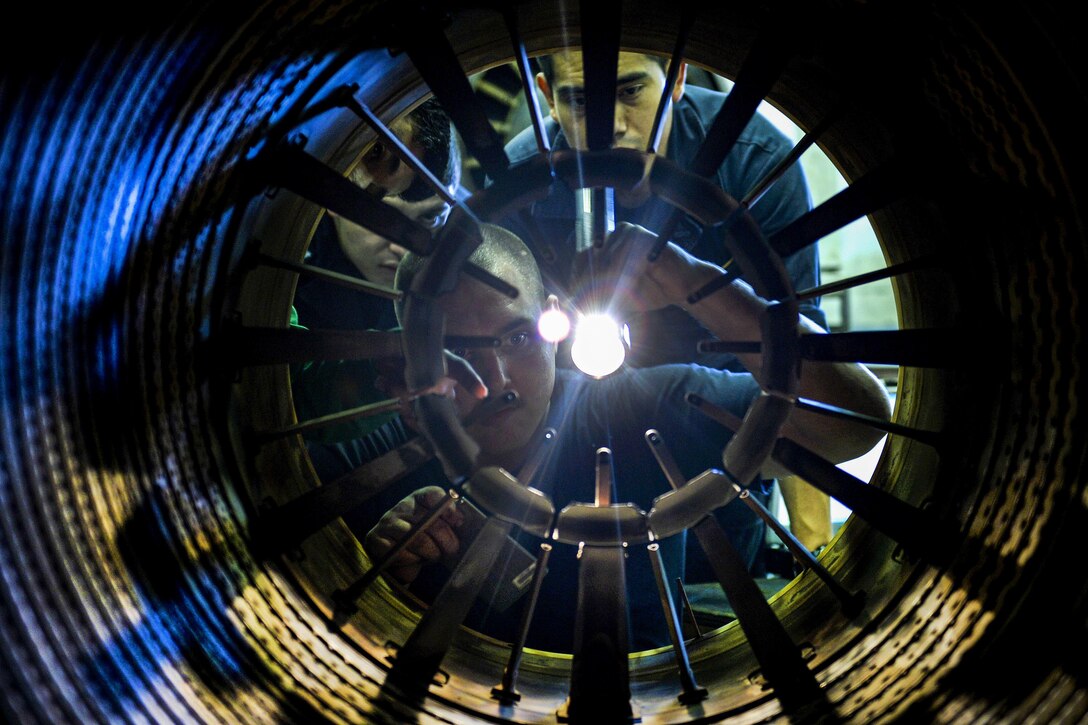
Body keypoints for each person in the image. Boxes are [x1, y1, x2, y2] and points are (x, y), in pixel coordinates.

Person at [320, 220, 889, 652]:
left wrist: (699, 285)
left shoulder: (633, 410)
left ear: (554, 322)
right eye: (457, 352)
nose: (493, 381)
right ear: (405, 365)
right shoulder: (377, 466)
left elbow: (851, 425)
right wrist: (371, 585)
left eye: (516, 340)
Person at [500, 50, 834, 574]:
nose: (609, 128)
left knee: (717, 582)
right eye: (581, 100)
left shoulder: (752, 163)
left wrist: (815, 551)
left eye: (631, 91)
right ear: (545, 94)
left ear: (676, 78)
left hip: (726, 437)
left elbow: (798, 366)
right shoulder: (522, 181)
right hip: (573, 448)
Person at [290, 97, 466, 442]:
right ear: (334, 203)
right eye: (380, 217)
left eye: (428, 218)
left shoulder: (471, 254)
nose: (402, 247)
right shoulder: (283, 278)